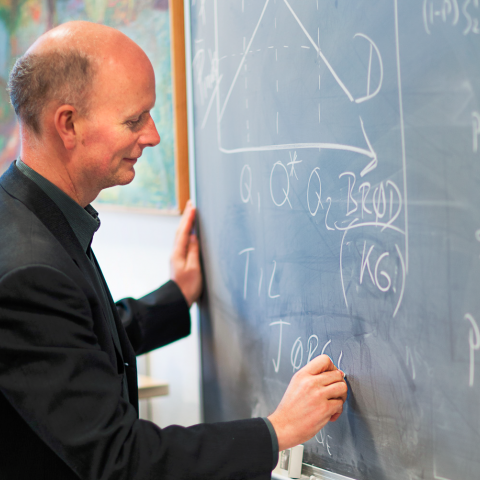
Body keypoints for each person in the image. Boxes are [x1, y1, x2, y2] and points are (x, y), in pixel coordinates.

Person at [0, 21, 348, 480]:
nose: (153, 135)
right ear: (68, 124)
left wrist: (176, 296)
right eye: (134, 120)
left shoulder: (27, 215)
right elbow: (120, 459)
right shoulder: (29, 270)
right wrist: (277, 430)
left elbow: (74, 341)